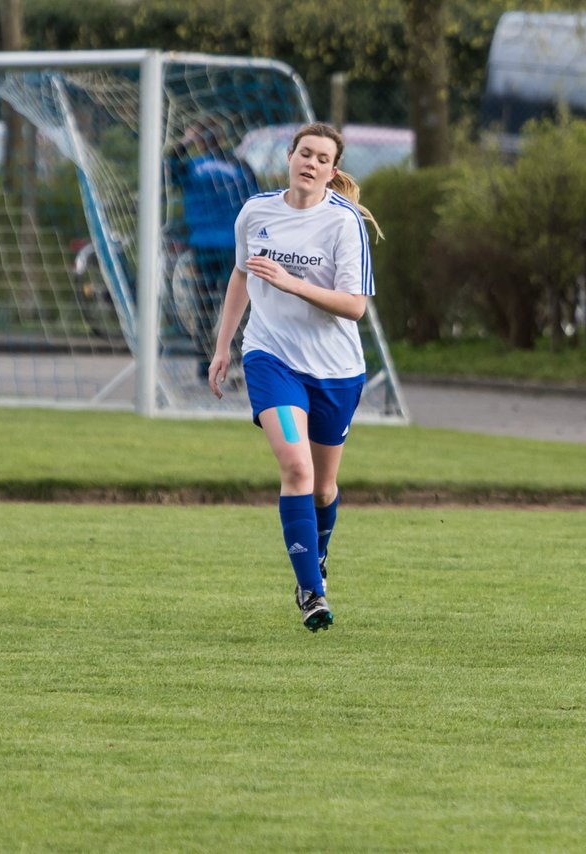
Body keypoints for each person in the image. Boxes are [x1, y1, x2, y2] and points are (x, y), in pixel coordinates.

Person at [208, 121, 383, 632]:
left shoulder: (343, 222)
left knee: (324, 487)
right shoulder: (256, 211)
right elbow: (242, 274)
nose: (311, 163)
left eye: (322, 158)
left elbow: (354, 307)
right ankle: (312, 593)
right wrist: (224, 346)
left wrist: (292, 283)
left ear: (332, 171)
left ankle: (317, 555)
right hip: (270, 359)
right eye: (304, 153)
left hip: (335, 371)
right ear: (289, 156)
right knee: (297, 471)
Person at [166, 116, 260, 375]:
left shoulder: (192, 167)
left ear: (198, 140)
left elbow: (170, 166)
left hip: (204, 244)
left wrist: (183, 143)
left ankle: (204, 362)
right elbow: (256, 202)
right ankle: (239, 357)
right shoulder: (239, 165)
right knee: (236, 303)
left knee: (205, 304)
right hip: (234, 245)